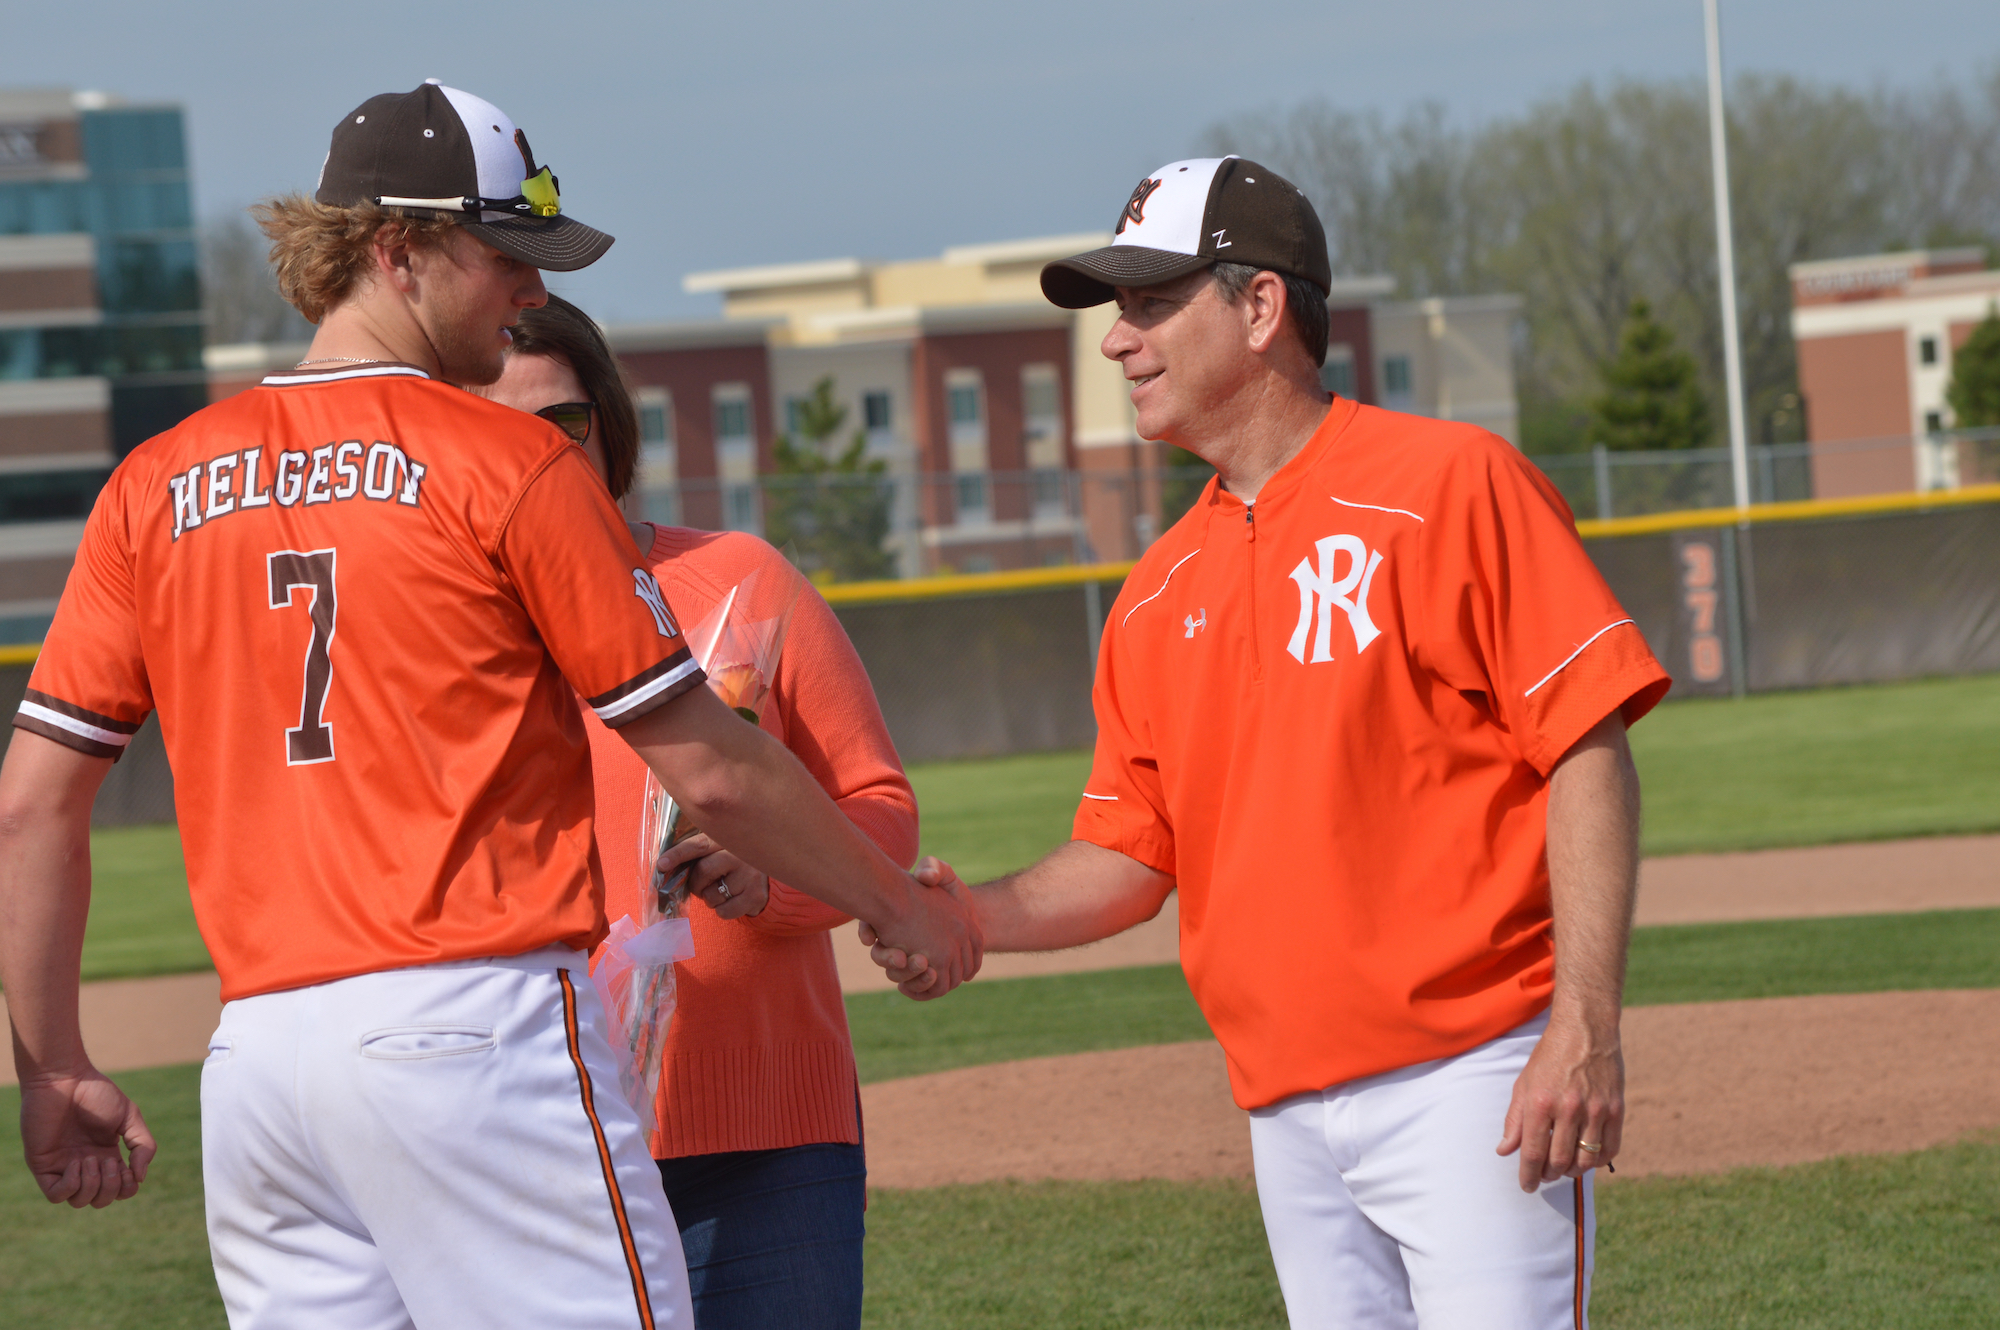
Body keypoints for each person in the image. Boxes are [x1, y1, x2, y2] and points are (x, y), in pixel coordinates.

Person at [0, 82, 978, 1330]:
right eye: (504, 254)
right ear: (395, 253)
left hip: (261, 1072)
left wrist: (55, 1064)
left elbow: (32, 808)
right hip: (473, 1030)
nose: (530, 290)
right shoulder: (507, 462)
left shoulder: (152, 484)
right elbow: (714, 767)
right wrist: (901, 907)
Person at [873, 157, 1670, 1329]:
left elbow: (1585, 749)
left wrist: (1585, 1023)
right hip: (1284, 1113)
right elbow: (1132, 855)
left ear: (1259, 308)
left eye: (1149, 303)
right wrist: (967, 915)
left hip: (1469, 1083)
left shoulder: (1446, 485)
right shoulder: (1151, 595)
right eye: (1116, 310)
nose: (1116, 342)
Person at [476, 295, 894, 1329]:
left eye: (563, 423)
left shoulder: (740, 582)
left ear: (609, 422)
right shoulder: (457, 633)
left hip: (767, 1130)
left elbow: (879, 806)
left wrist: (776, 881)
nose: (537, 453)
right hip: (546, 1131)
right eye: (496, 429)